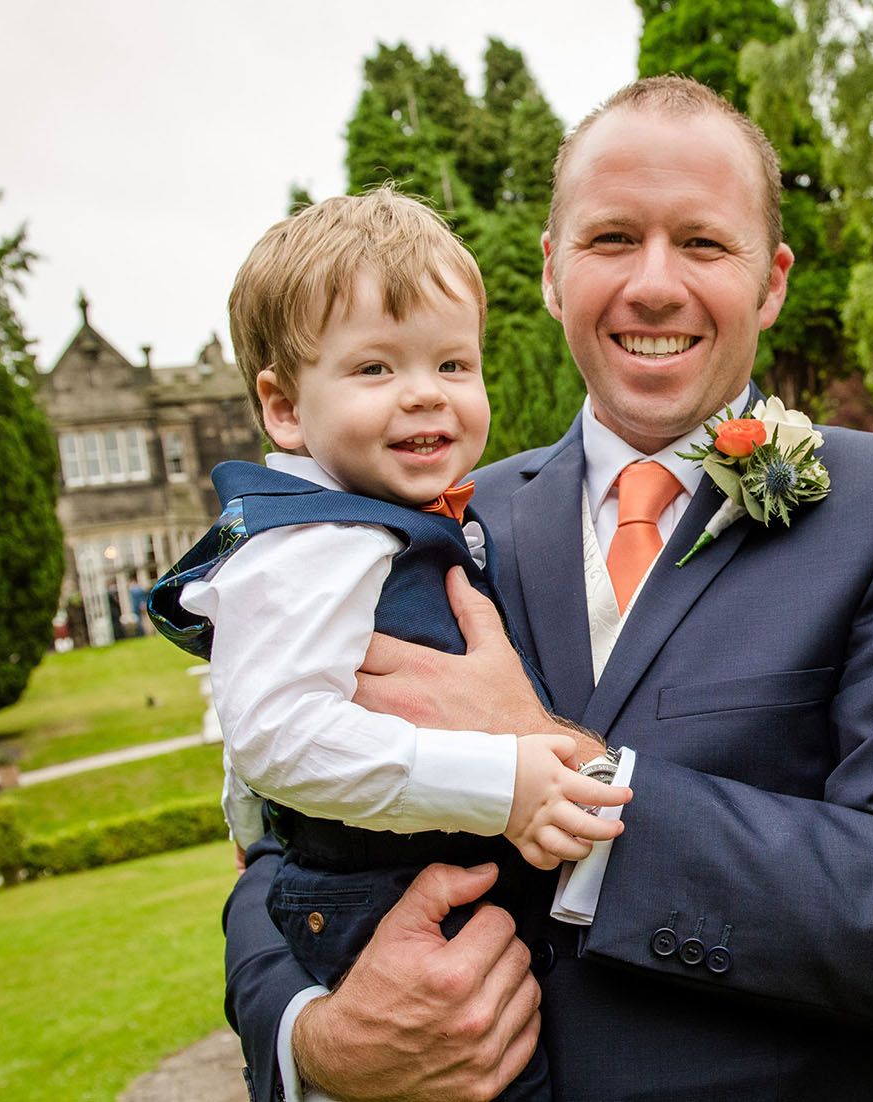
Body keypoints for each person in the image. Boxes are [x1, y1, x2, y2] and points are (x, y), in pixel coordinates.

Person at [221, 75, 873, 1102]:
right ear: (552, 273)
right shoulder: (428, 517)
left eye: (701, 243)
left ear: (770, 281)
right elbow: (277, 833)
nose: (653, 284)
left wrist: (568, 775)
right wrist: (313, 1037)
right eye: (610, 240)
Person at [148, 188, 631, 1101]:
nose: (425, 392)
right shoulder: (313, 543)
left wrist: (255, 828)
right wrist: (508, 781)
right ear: (285, 410)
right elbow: (278, 736)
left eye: (453, 361)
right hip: (381, 914)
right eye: (375, 368)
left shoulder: (389, 524)